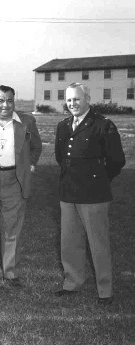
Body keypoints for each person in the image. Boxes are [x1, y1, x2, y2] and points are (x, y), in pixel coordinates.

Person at [54, 82, 125, 305]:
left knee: (98, 243)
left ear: (87, 99)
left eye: (76, 99)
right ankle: (72, 283)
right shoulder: (64, 125)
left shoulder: (103, 125)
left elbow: (116, 160)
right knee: (69, 241)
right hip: (68, 192)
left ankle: (105, 290)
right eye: (68, 100)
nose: (72, 104)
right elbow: (60, 157)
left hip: (94, 194)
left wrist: (98, 180)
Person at [0, 85, 42, 287]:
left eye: (9, 100)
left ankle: (10, 271)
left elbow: (36, 146)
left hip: (15, 180)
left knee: (12, 229)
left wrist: (32, 164)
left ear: (14, 102)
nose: (5, 105)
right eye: (0, 100)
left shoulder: (26, 122)